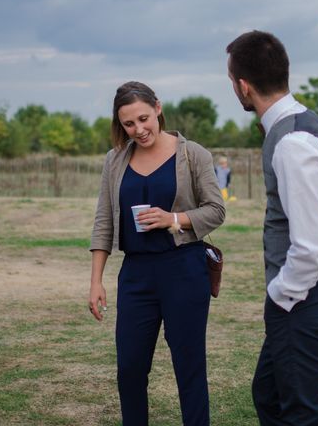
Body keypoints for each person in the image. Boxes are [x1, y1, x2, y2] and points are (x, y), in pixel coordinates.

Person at [226, 31, 318, 425]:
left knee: (301, 413)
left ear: (243, 86)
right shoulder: (299, 124)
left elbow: (313, 245)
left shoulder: (293, 142)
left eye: (232, 83)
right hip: (311, 287)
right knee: (270, 393)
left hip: (306, 290)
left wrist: (281, 294)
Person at [89, 81, 225, 425]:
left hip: (184, 269)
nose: (139, 129)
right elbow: (104, 221)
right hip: (136, 274)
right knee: (130, 369)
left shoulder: (193, 154)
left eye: (144, 118)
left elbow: (216, 210)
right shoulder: (115, 160)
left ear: (158, 108)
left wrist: (174, 219)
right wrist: (96, 281)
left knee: (189, 368)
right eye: (129, 124)